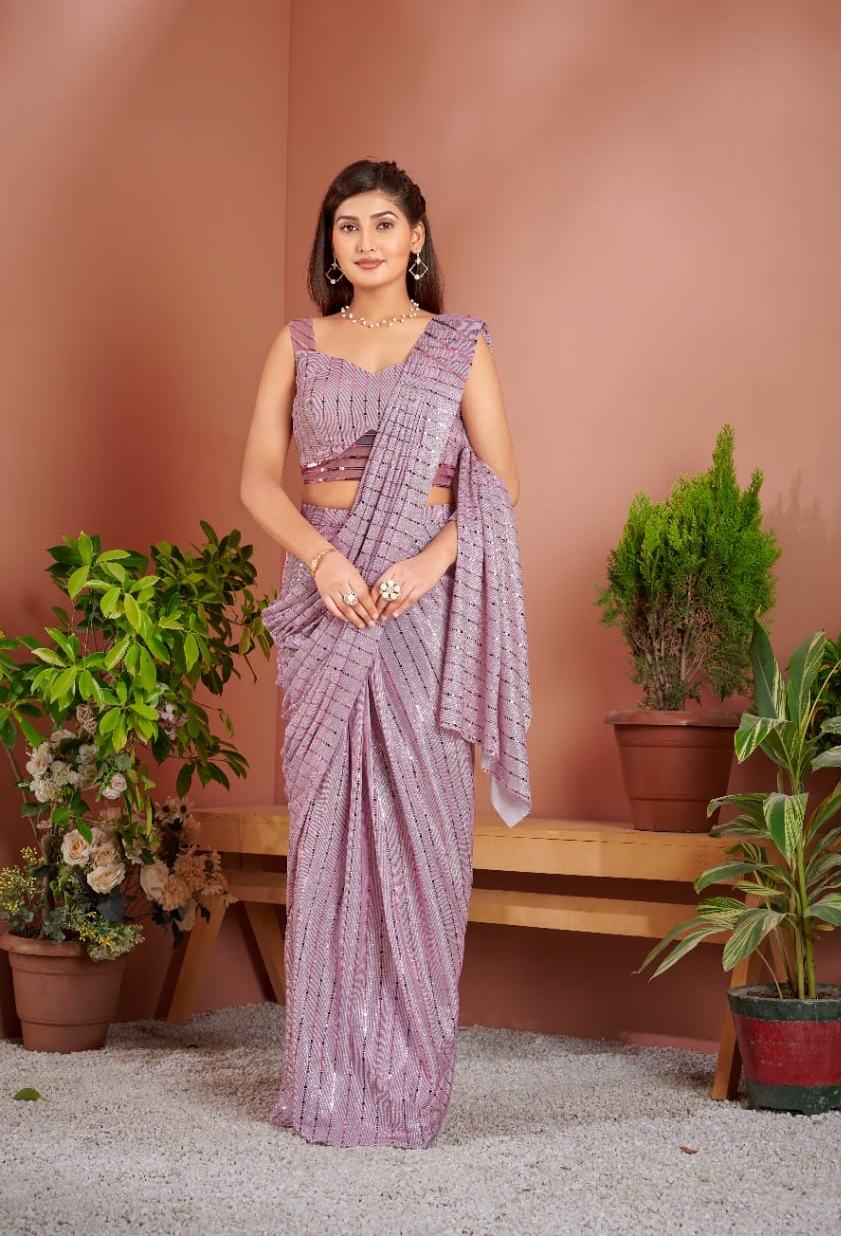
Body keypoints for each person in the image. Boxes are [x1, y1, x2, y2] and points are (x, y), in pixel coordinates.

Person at [240, 158, 531, 1148]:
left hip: (419, 606)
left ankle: (407, 1086)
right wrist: (322, 559)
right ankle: (324, 1078)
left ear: (416, 237)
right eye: (346, 226)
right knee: (326, 829)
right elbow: (257, 480)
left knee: (423, 833)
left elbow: (499, 483)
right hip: (325, 600)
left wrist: (421, 566)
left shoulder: (458, 346)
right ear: (330, 244)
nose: (363, 242)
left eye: (381, 224)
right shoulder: (297, 342)